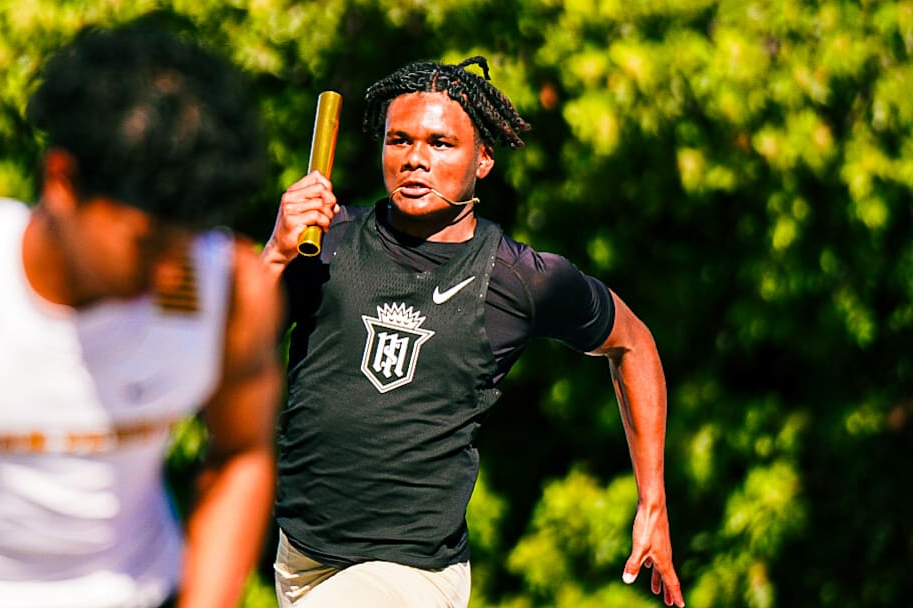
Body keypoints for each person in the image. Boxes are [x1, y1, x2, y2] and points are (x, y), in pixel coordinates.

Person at [0, 20, 282, 608]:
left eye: (189, 241)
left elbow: (241, 456)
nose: (171, 274)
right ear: (62, 181)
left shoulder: (228, 290)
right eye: (147, 245)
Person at [261, 56, 685, 608]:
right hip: (299, 559)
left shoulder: (518, 279)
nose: (415, 159)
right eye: (399, 140)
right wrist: (274, 252)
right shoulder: (327, 239)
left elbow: (634, 343)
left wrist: (653, 501)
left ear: (483, 157)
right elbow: (226, 354)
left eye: (440, 144)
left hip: (409, 573)